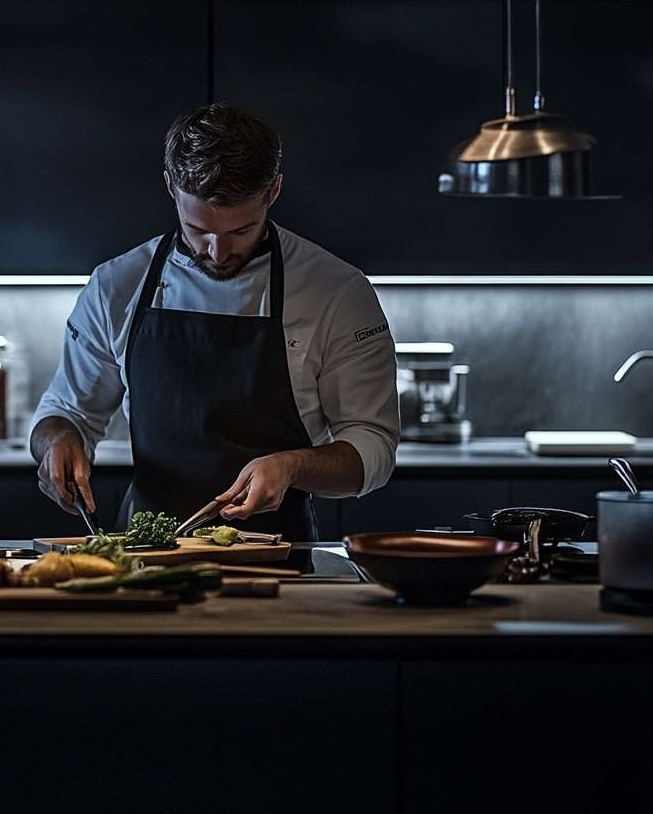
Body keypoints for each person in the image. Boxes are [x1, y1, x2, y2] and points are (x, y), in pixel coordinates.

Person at [30, 104, 399, 547]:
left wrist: (293, 466)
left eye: (240, 231)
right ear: (171, 186)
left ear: (274, 190)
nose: (218, 252)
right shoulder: (117, 284)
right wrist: (57, 443)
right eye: (198, 229)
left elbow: (373, 443)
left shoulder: (336, 291)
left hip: (279, 560)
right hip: (148, 555)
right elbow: (66, 411)